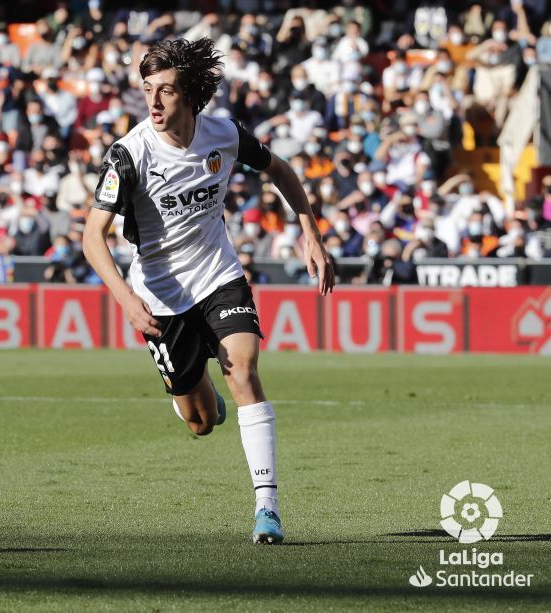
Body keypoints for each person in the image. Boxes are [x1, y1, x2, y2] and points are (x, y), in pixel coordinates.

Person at [82, 39, 335, 546]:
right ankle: (203, 396)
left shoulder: (223, 135)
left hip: (218, 274)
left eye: (166, 92)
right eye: (147, 90)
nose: (153, 102)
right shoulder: (128, 153)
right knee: (200, 422)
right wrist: (127, 301)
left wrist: (311, 234)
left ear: (191, 96)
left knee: (244, 370)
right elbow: (93, 237)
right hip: (157, 293)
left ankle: (267, 508)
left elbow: (280, 171)